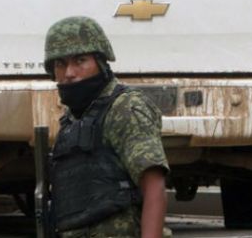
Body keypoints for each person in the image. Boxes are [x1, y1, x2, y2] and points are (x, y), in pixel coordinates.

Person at [44, 16, 170, 238]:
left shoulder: (125, 108)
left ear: (101, 63)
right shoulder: (71, 121)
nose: (69, 73)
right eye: (60, 64)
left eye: (80, 60)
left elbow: (154, 187)